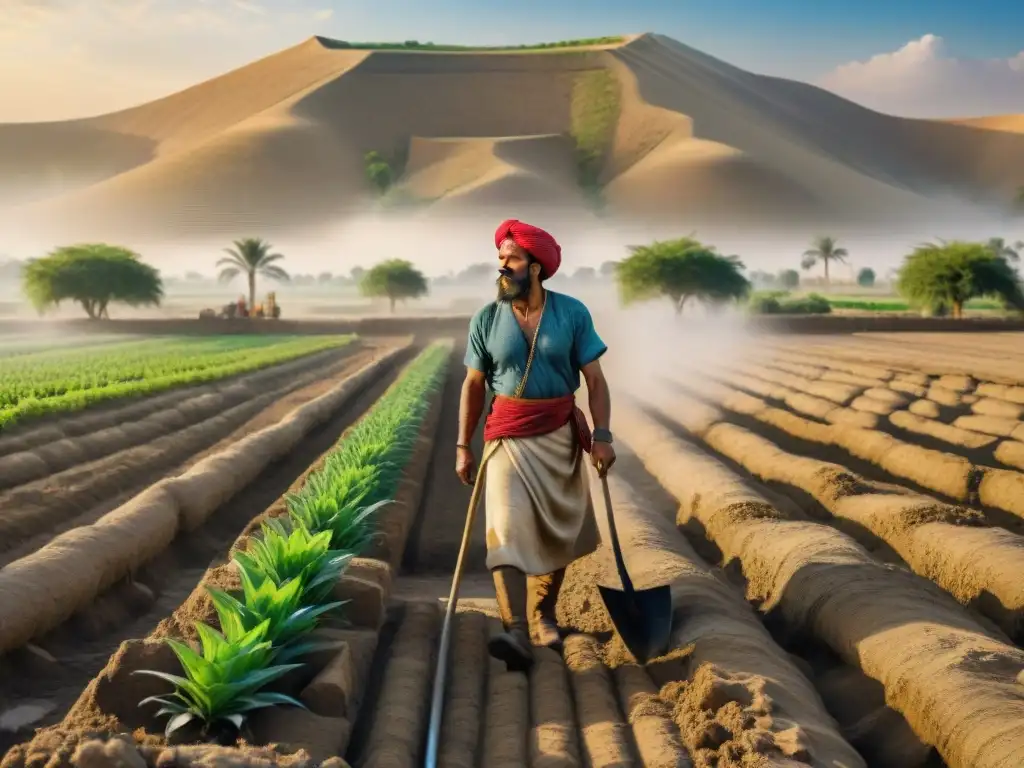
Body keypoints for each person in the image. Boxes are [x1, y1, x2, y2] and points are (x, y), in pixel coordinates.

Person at [456, 218, 616, 673]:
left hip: (559, 434)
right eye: (501, 259)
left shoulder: (571, 313)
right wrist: (462, 446)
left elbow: (596, 381)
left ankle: (544, 614)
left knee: (556, 529)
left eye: (513, 259)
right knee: (504, 530)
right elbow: (472, 385)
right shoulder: (486, 318)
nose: (503, 267)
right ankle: (515, 630)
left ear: (537, 267)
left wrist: (601, 436)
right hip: (506, 434)